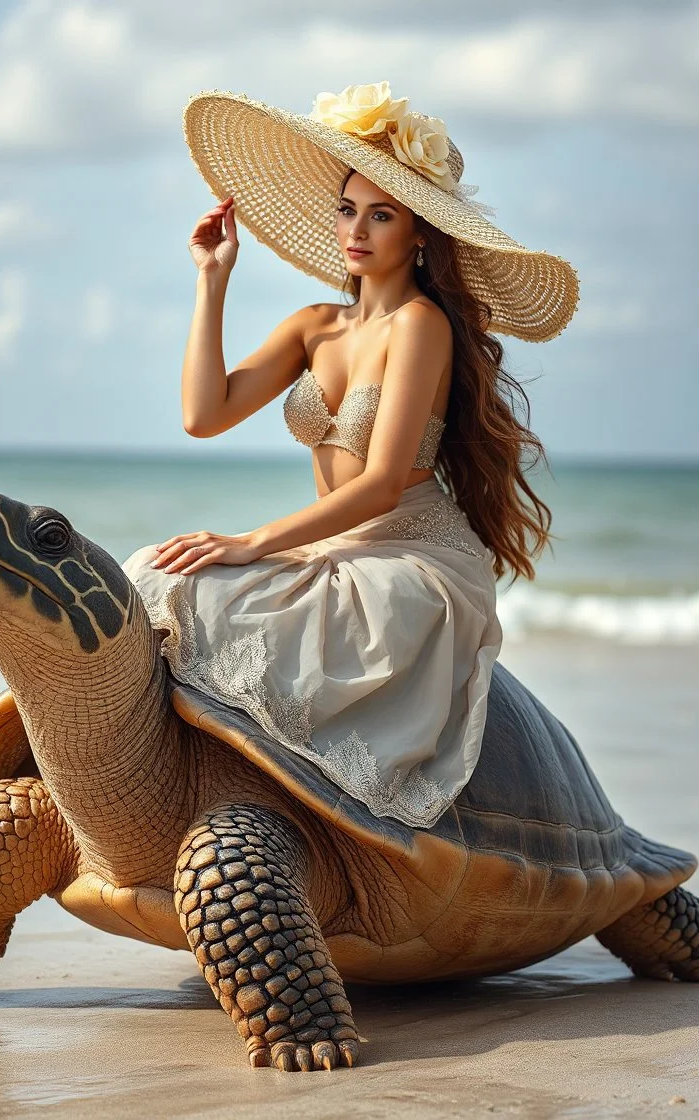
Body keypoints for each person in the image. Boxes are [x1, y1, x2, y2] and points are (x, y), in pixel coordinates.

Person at [123, 82, 579, 829]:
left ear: (420, 234)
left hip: (411, 556)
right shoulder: (314, 326)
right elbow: (202, 416)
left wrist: (249, 543)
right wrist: (212, 280)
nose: (357, 230)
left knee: (229, 593)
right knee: (151, 574)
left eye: (382, 214)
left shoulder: (420, 325)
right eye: (348, 209)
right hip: (332, 546)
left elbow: (380, 485)